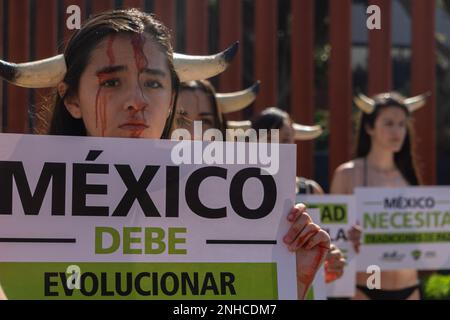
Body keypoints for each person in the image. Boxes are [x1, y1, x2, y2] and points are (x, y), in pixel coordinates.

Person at [1, 8, 330, 300]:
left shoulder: (227, 202)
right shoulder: (15, 206)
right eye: (112, 82)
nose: (138, 100)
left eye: (154, 84)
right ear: (71, 99)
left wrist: (285, 284)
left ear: (172, 99)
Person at [330, 91, 429, 300]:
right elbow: (332, 236)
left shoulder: (408, 177)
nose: (397, 131)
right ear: (369, 127)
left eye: (402, 124)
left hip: (409, 287)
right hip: (366, 288)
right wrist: (348, 238)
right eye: (389, 123)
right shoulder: (347, 174)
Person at [250, 107, 345, 284]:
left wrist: (332, 259)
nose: (277, 148)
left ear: (294, 141)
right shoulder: (238, 195)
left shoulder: (311, 191)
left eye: (285, 140)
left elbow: (327, 244)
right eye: (269, 140)